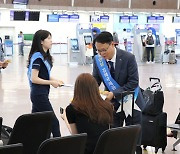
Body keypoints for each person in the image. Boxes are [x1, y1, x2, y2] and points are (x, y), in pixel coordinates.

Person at [92, 31, 145, 154]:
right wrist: (93, 90)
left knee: (134, 137)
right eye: (98, 51)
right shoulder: (98, 60)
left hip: (132, 101)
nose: (101, 54)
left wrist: (113, 93)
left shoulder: (128, 58)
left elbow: (133, 82)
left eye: (104, 50)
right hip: (113, 104)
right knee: (115, 134)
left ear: (112, 44)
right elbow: (95, 79)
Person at [65, 73, 113, 154]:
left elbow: (76, 137)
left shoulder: (72, 109)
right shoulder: (107, 106)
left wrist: (66, 120)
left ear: (77, 89)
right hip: (105, 149)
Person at [27, 30, 64, 137]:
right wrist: (51, 82)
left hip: (41, 94)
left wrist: (55, 80)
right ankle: (59, 146)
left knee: (37, 124)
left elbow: (43, 75)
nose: (51, 41)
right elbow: (34, 78)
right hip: (39, 95)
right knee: (54, 123)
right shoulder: (38, 58)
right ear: (41, 41)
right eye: (48, 38)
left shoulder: (44, 56)